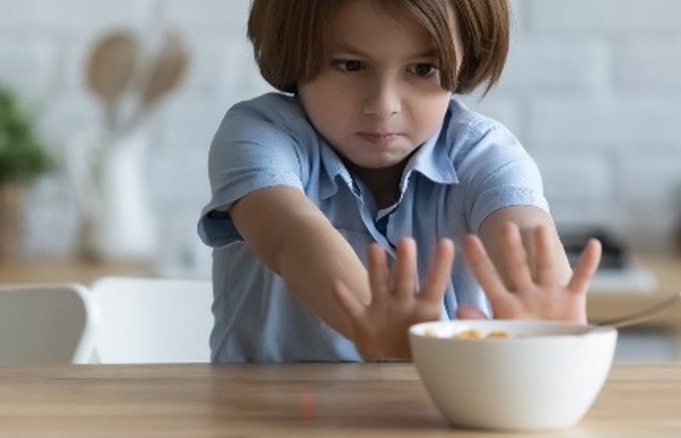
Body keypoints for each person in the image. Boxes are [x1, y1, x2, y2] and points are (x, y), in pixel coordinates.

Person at [198, 0, 602, 362]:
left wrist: (546, 304)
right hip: (261, 416)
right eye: (351, 65)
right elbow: (289, 233)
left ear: (464, 61)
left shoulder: (484, 152)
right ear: (295, 52)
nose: (383, 105)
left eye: (423, 69)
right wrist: (383, 323)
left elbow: (521, 227)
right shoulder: (256, 134)